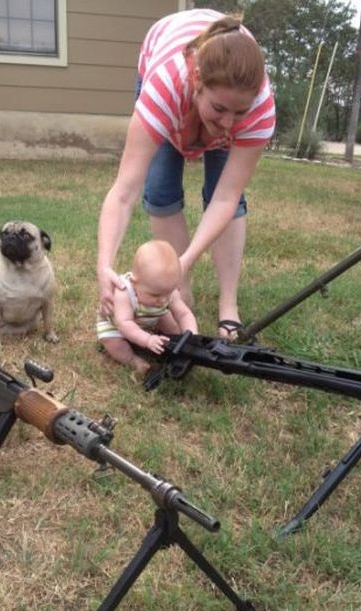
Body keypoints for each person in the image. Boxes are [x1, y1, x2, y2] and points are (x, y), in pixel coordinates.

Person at [96, 8, 276, 340]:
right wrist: (104, 264)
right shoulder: (164, 87)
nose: (228, 123)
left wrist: (186, 259)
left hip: (213, 91)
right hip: (162, 56)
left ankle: (228, 304)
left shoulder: (259, 107)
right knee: (160, 188)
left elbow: (225, 197)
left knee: (222, 190)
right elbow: (124, 191)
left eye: (239, 112)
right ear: (197, 81)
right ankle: (180, 292)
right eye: (219, 108)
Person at [96, 240, 198, 375]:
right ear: (134, 283)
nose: (163, 300)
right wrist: (147, 340)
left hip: (150, 316)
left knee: (173, 327)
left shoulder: (166, 290)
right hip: (117, 325)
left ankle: (173, 348)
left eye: (168, 293)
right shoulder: (123, 291)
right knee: (113, 343)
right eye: (155, 295)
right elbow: (124, 324)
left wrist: (192, 335)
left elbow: (183, 314)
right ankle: (133, 361)